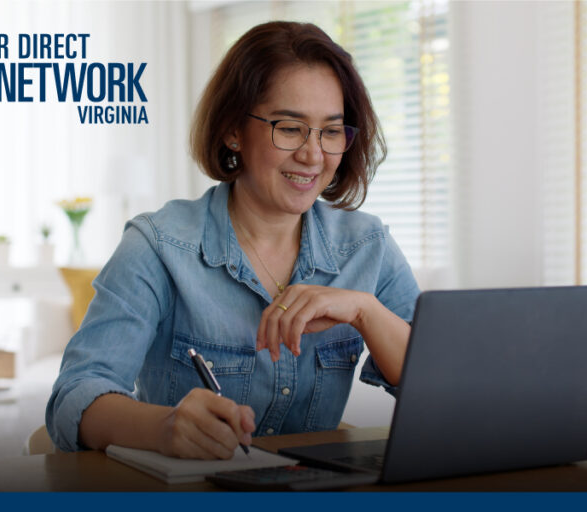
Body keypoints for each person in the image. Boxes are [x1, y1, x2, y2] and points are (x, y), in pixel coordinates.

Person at [46, 21, 420, 459]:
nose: (313, 154)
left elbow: (448, 389)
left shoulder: (367, 246)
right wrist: (165, 427)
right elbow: (75, 395)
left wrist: (364, 310)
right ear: (232, 131)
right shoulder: (159, 246)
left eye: (331, 131)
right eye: (289, 127)